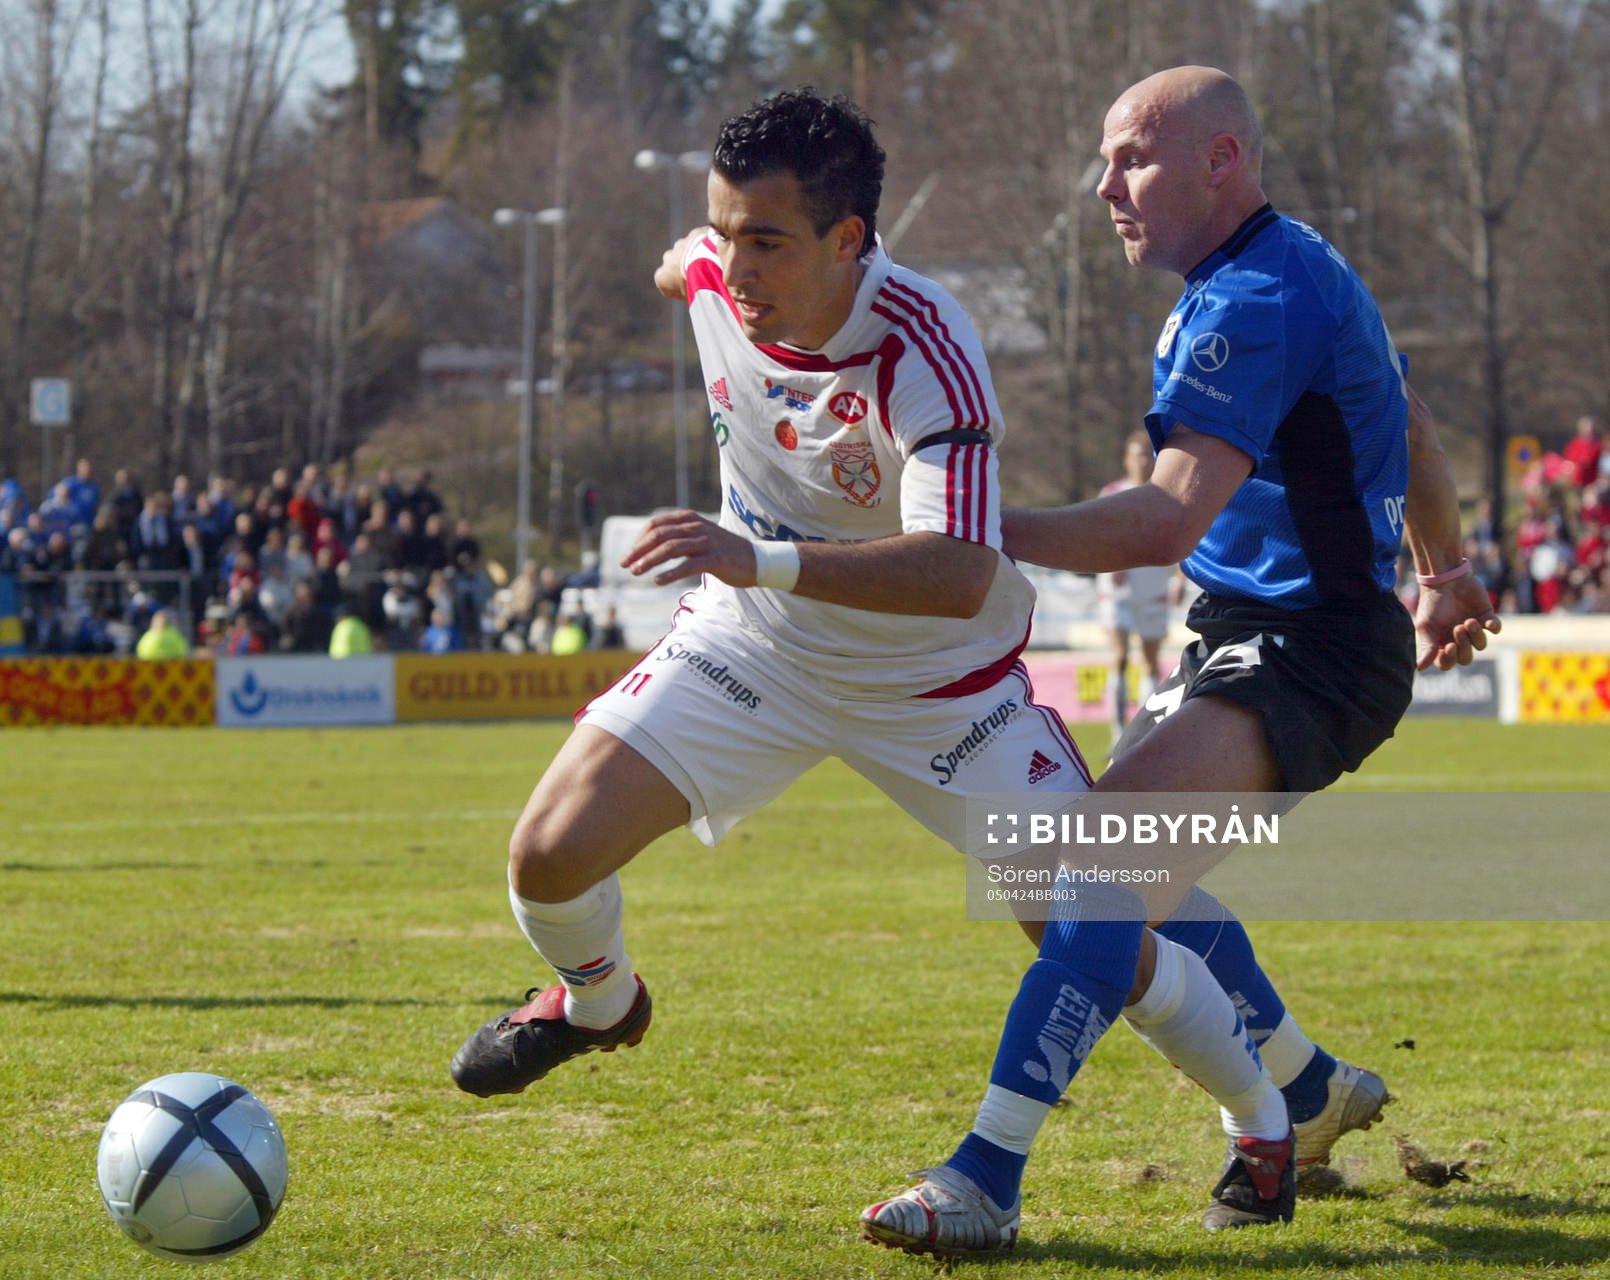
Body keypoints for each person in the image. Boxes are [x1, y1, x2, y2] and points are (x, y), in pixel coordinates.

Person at [861, 66, 1504, 1254]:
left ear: (1221, 160)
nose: (1102, 184)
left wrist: (965, 522)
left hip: (1304, 648)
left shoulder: (1253, 296)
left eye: (1130, 159)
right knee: (1072, 876)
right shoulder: (1287, 267)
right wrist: (1446, 567)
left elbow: (1161, 524)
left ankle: (987, 1173)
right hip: (1254, 634)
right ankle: (1302, 1089)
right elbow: (1403, 419)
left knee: (1090, 875)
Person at [448, 88, 1122, 1118]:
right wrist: (690, 261)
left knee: (1095, 923)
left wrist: (756, 555)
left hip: (929, 681)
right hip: (755, 649)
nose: (737, 265)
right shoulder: (716, 274)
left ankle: (1285, 1096)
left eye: (765, 239)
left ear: (847, 238)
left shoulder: (923, 344)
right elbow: (682, 266)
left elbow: (957, 572)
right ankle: (598, 1003)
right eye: (725, 233)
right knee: (545, 856)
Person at [1096, 431, 1177, 732]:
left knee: (1151, 661)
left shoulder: (1166, 495)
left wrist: (1180, 578)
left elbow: (1183, 539)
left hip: (1153, 588)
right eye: (1136, 455)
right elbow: (1098, 537)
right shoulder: (1113, 492)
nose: (1142, 462)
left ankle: (1144, 731)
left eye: (1147, 455)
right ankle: (1118, 733)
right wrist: (1110, 563)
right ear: (1126, 460)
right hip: (1118, 591)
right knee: (1119, 657)